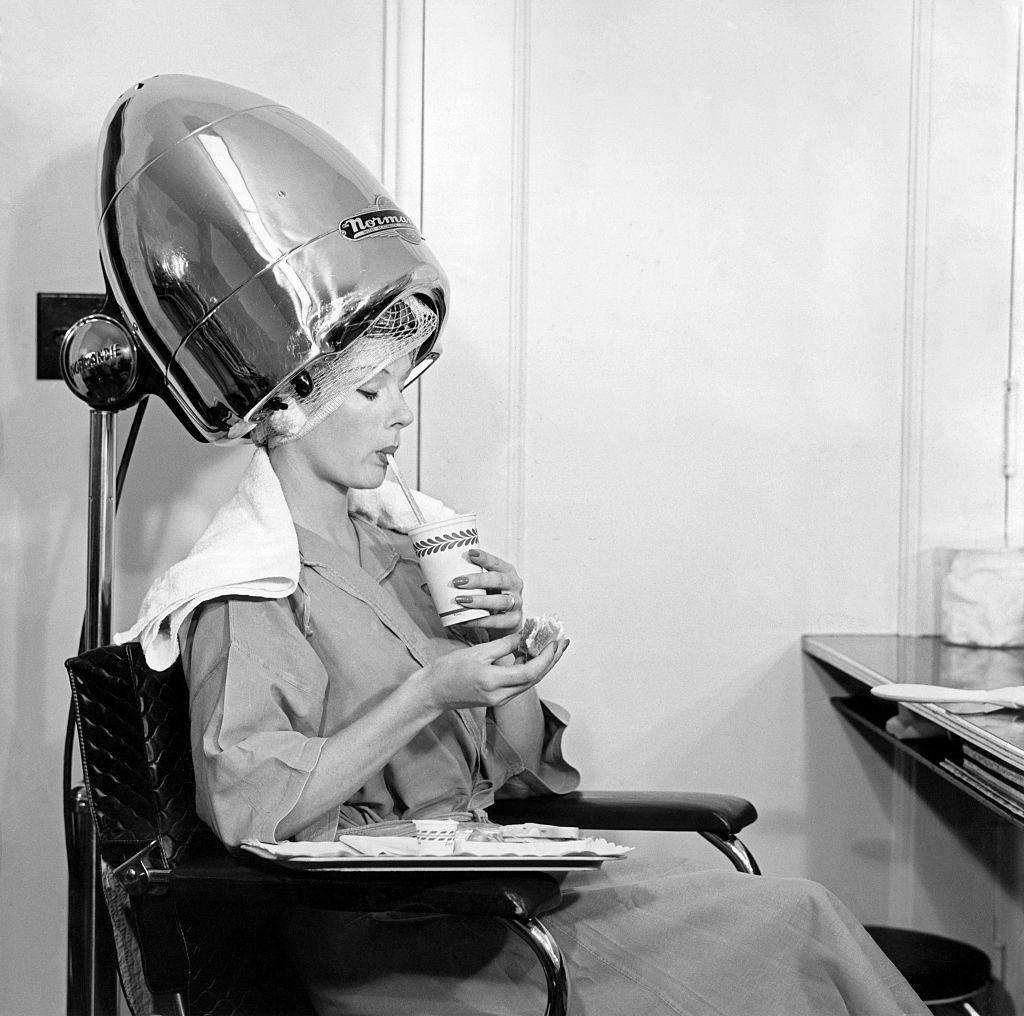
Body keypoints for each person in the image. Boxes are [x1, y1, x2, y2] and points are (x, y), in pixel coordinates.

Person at [121, 295, 928, 1015]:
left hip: (491, 887)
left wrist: (501, 658)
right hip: (399, 936)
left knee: (803, 910)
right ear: (289, 410)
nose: (400, 417)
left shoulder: (404, 555)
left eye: (403, 387)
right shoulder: (254, 589)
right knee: (793, 929)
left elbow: (513, 778)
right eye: (371, 392)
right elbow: (251, 807)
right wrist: (430, 692)